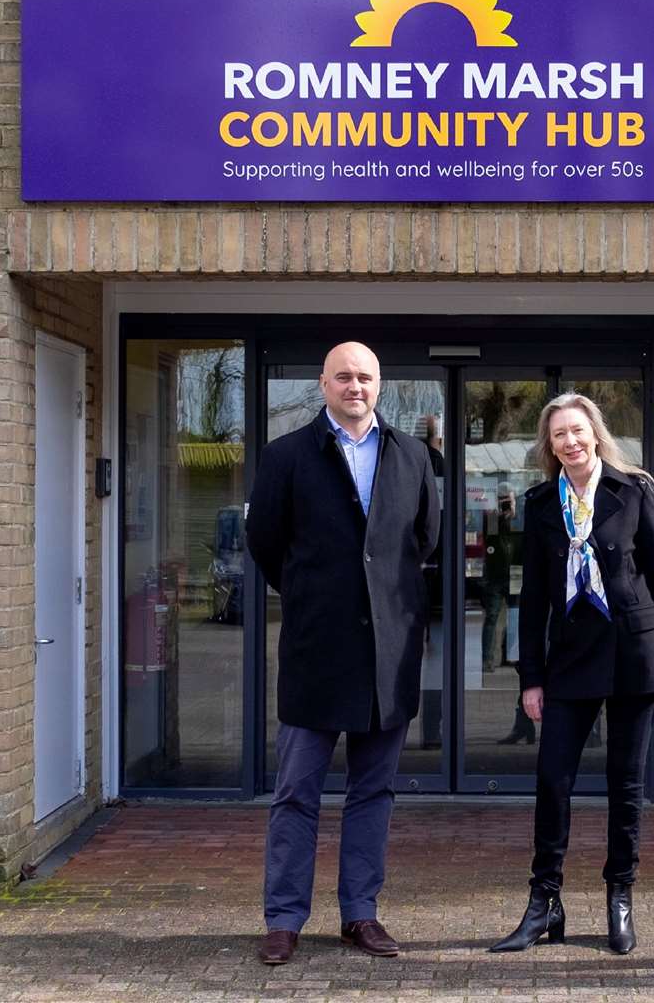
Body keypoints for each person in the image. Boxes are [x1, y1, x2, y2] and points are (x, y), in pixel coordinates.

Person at [246, 341, 441, 966]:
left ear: (379, 385)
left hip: (388, 654)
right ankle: (283, 920)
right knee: (296, 793)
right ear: (322, 383)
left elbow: (423, 540)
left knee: (373, 792)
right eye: (343, 377)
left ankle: (361, 913)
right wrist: (313, 594)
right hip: (316, 650)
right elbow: (266, 544)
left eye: (365, 377)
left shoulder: (413, 455)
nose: (355, 386)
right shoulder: (286, 457)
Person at [489, 393, 654, 956]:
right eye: (559, 435)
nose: (570, 442)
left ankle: (619, 899)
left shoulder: (632, 492)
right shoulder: (539, 505)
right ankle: (544, 902)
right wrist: (530, 678)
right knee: (553, 780)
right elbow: (532, 602)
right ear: (549, 446)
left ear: (595, 434)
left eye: (578, 431)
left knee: (626, 787)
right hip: (570, 659)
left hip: (635, 653)